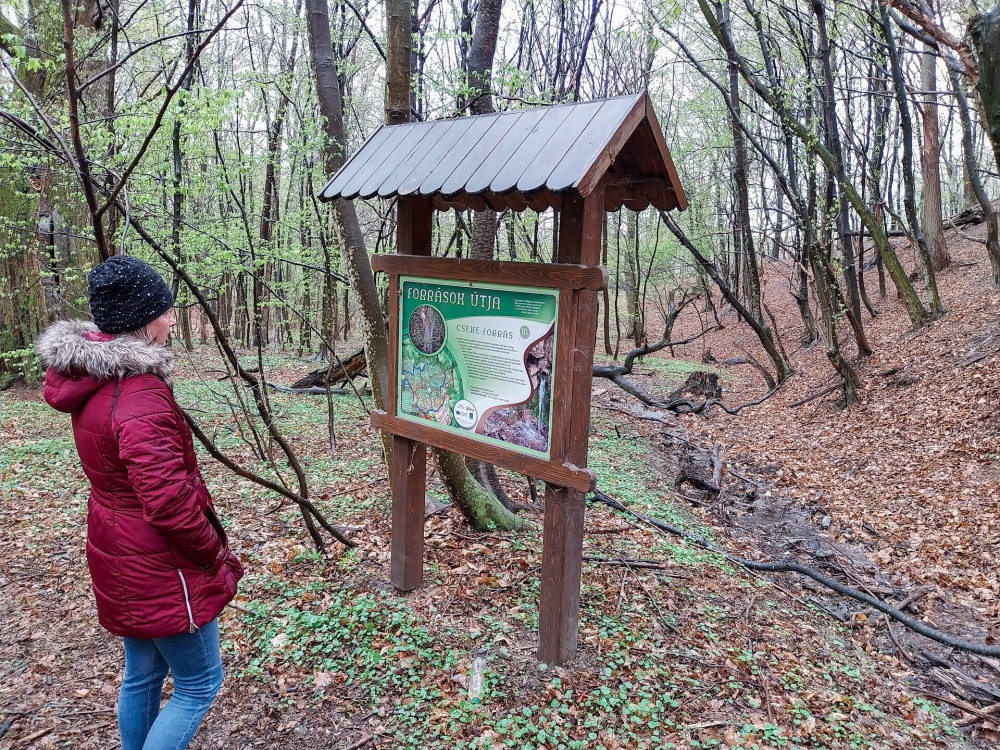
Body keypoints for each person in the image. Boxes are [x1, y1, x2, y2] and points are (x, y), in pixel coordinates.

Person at [36, 255, 243, 750]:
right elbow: (169, 503)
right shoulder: (139, 395)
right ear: (142, 321)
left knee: (143, 674)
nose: (173, 320)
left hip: (118, 546)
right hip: (160, 561)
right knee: (198, 685)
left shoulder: (94, 378)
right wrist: (211, 552)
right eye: (167, 311)